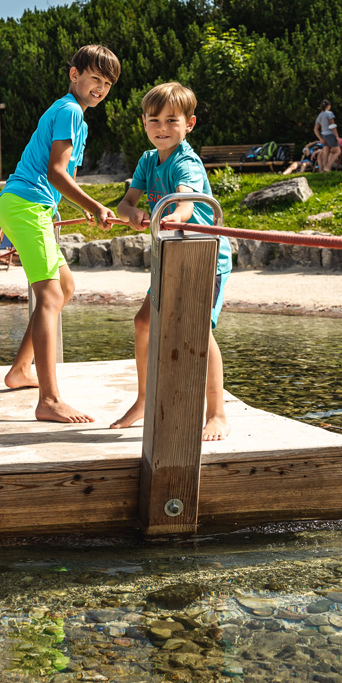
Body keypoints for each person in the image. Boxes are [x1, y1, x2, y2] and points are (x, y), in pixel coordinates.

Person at [0, 44, 120, 424]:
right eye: (95, 78)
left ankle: (20, 371)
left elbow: (65, 178)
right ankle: (49, 400)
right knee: (49, 293)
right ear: (75, 75)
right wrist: (96, 206)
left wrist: (84, 207)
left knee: (63, 288)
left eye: (107, 83)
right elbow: (55, 172)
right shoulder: (69, 110)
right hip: (25, 203)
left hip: (31, 205)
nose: (100, 88)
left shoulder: (77, 118)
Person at [110, 82, 231, 441]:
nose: (161, 128)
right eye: (153, 120)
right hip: (169, 257)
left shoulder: (186, 161)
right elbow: (125, 203)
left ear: (189, 123)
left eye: (171, 120)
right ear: (143, 123)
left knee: (199, 331)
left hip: (202, 258)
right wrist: (131, 212)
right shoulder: (149, 160)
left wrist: (174, 214)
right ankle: (145, 398)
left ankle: (217, 413)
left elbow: (187, 202)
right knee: (144, 323)